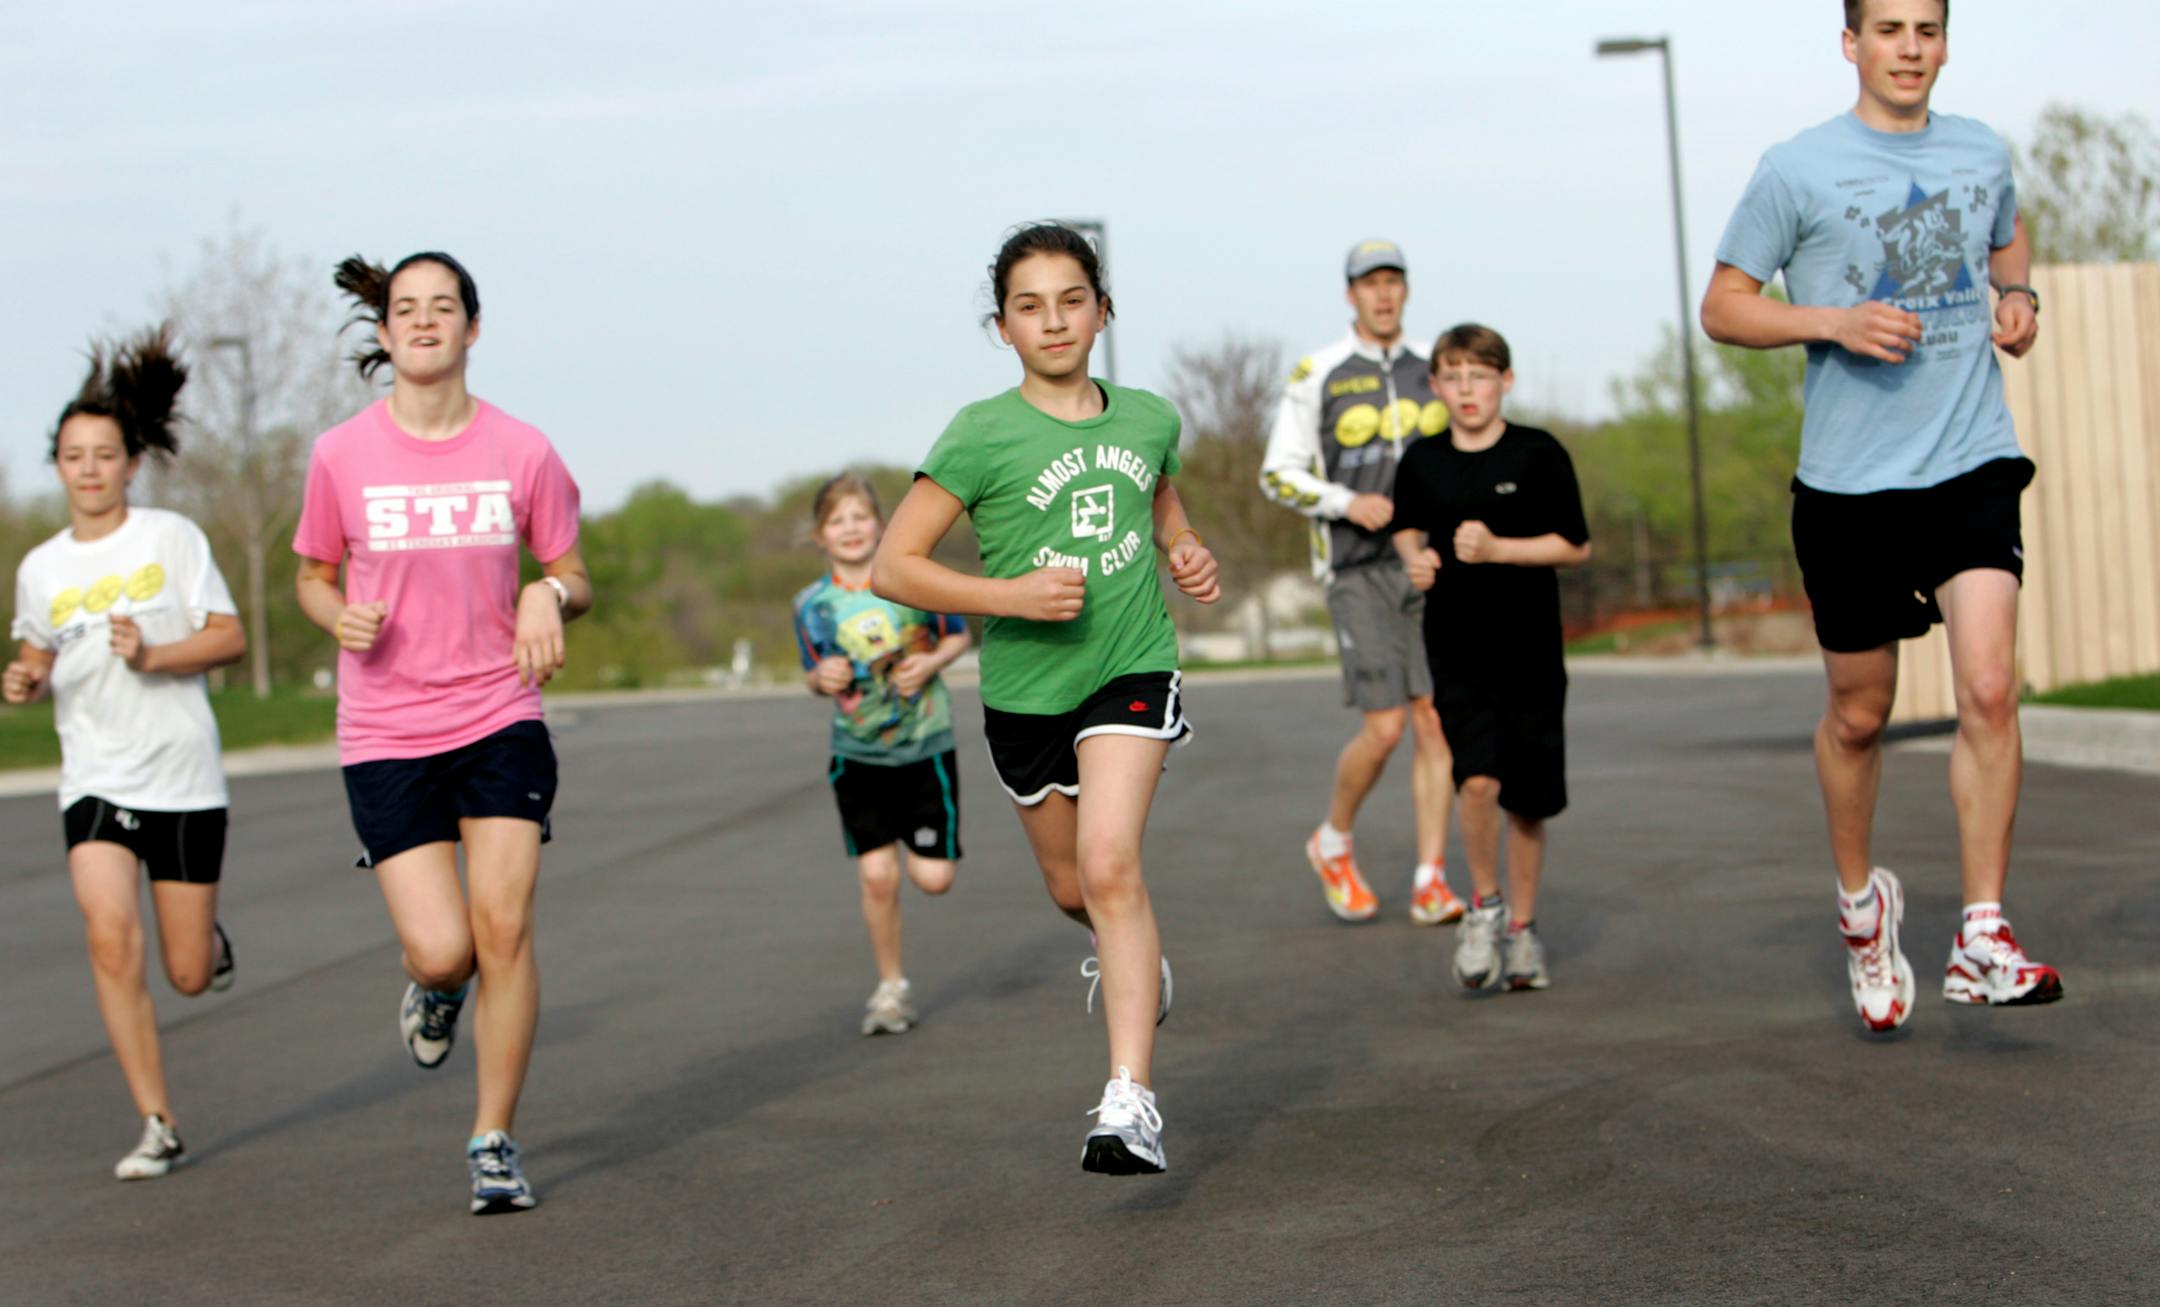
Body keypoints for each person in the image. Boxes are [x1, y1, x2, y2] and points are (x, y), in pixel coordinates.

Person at [1701, 0, 2059, 1032]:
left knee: (1990, 689)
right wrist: (1832, 321)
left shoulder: (1982, 149)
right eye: (1890, 29)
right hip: (1851, 487)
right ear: (1850, 42)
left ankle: (1982, 933)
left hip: (1970, 459)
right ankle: (1864, 908)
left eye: (1929, 29)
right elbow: (1723, 305)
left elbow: (2007, 228)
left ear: (1946, 42)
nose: (1911, 48)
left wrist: (2020, 294)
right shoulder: (1797, 166)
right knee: (1860, 716)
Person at [874, 222, 1219, 1175]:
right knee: (1074, 888)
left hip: (1130, 665)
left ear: (1103, 311)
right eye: (1030, 306)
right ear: (1002, 327)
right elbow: (893, 566)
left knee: (1111, 866)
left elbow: (1160, 501)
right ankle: (1133, 957)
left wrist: (1181, 548)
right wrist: (1008, 597)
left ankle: (1130, 1103)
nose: (1054, 320)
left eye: (1073, 299)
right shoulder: (981, 434)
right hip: (1026, 691)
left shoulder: (1148, 416)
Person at [294, 251, 592, 1212]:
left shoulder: (523, 449)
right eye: (405, 309)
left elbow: (572, 571)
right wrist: (332, 612)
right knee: (444, 948)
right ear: (384, 335)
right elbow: (310, 572)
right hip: (385, 726)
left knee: (504, 927)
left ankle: (493, 1137)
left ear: (472, 327)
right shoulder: (342, 455)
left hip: (499, 712)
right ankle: (433, 988)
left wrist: (549, 594)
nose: (424, 321)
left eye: (443, 306)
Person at [6, 324, 244, 1179]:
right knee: (110, 938)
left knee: (184, 973)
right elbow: (37, 647)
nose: (90, 468)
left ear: (130, 463)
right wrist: (26, 678)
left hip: (182, 774)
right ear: (59, 465)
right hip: (96, 776)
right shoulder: (40, 567)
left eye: (105, 454)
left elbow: (229, 637)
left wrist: (152, 653)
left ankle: (210, 944)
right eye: (74, 455)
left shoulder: (170, 539)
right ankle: (156, 1120)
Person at [1260, 239, 1462, 926]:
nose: (1383, 294)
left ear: (1406, 290)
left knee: (1437, 723)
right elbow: (1277, 472)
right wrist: (1348, 502)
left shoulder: (1434, 366)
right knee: (1384, 728)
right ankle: (1333, 840)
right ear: (1350, 293)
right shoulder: (1317, 371)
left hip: (1432, 568)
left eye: (1393, 281)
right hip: (1356, 567)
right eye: (1370, 283)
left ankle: (1432, 877)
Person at [1391, 325, 1591, 993]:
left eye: (1480, 375)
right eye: (1453, 376)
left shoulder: (1539, 453)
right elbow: (1405, 529)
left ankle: (1523, 929)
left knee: (1528, 802)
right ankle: (1484, 904)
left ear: (1505, 380)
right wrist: (1415, 562)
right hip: (1456, 648)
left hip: (1531, 648)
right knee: (1475, 779)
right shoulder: (1422, 460)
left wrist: (1501, 548)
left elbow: (1575, 545)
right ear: (1437, 386)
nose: (1467, 389)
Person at [794, 472, 971, 1035]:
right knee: (877, 876)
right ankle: (891, 988)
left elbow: (958, 633)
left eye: (859, 517)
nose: (850, 529)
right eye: (836, 520)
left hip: (924, 746)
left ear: (881, 523)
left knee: (935, 879)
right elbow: (811, 672)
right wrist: (821, 678)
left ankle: (912, 846)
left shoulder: (910, 578)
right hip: (858, 754)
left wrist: (931, 662)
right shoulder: (811, 606)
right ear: (820, 535)